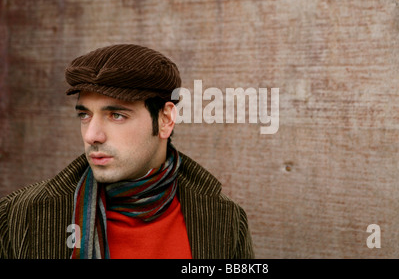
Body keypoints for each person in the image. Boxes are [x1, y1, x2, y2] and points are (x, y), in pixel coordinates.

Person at [0, 44, 254, 259]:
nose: (92, 135)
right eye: (85, 115)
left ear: (165, 119)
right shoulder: (20, 215)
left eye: (117, 115)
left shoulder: (224, 219)